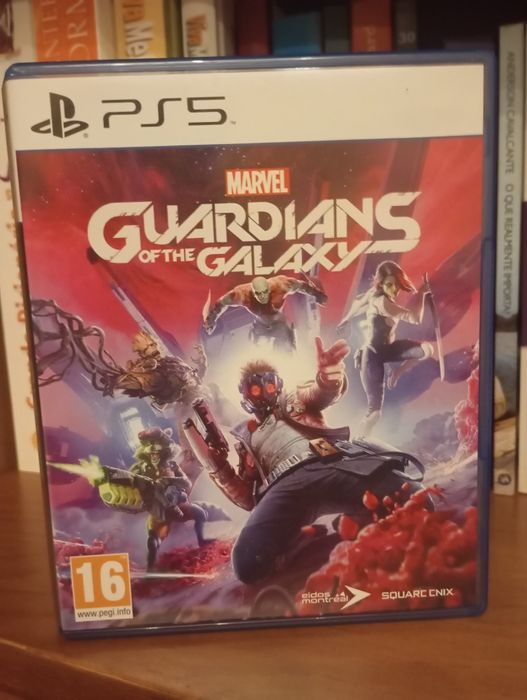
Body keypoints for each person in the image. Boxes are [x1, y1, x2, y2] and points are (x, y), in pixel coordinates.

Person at [184, 337, 430, 585]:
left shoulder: (294, 402)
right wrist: (218, 467)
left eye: (270, 385)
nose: (264, 393)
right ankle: (310, 544)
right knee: (248, 562)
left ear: (278, 385)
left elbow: (319, 393)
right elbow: (247, 498)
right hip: (283, 488)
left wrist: (328, 375)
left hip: (330, 464)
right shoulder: (246, 441)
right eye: (256, 390)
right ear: (245, 394)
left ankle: (356, 522)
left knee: (413, 498)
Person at [338, 260, 434, 437]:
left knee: (426, 350)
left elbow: (358, 303)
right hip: (372, 357)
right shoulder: (383, 303)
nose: (394, 289)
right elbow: (415, 319)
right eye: (390, 285)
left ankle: (397, 372)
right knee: (374, 413)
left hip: (389, 350)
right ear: (381, 284)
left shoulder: (374, 294)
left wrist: (345, 320)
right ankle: (358, 437)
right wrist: (422, 293)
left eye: (397, 284)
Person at [203, 274, 327, 351]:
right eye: (258, 294)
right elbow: (221, 303)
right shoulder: (242, 294)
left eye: (264, 292)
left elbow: (302, 286)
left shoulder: (281, 285)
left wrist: (317, 294)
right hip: (260, 325)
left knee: (287, 349)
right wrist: (211, 319)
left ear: (269, 289)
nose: (262, 296)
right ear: (253, 292)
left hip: (279, 323)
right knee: (259, 350)